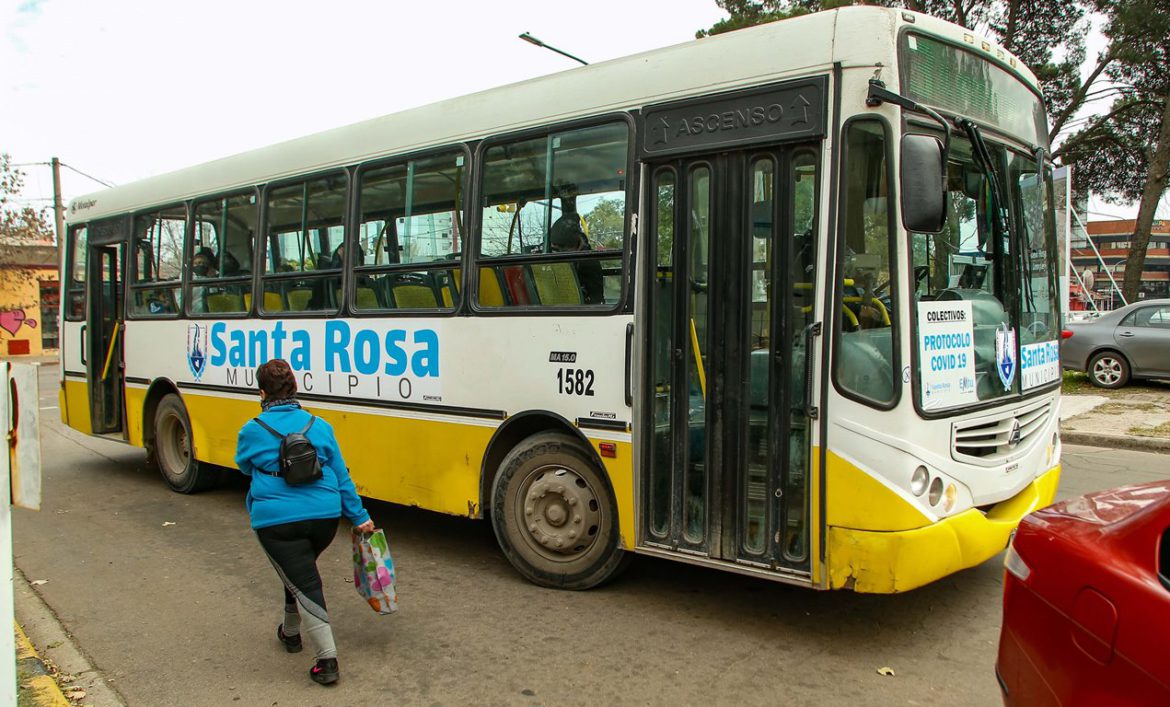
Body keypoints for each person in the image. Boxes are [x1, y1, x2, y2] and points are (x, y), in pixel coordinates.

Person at [235, 359, 375, 686]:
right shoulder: (320, 426)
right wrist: (360, 517)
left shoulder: (252, 430)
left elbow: (243, 466)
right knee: (297, 570)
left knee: (305, 582)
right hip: (325, 520)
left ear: (261, 393)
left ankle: (327, 662)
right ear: (295, 388)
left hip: (277, 523)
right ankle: (291, 632)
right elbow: (341, 476)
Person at [548, 189, 605, 304]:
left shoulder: (589, 262)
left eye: (560, 248)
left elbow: (595, 299)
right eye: (554, 248)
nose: (557, 254)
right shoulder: (546, 254)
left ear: (576, 244)